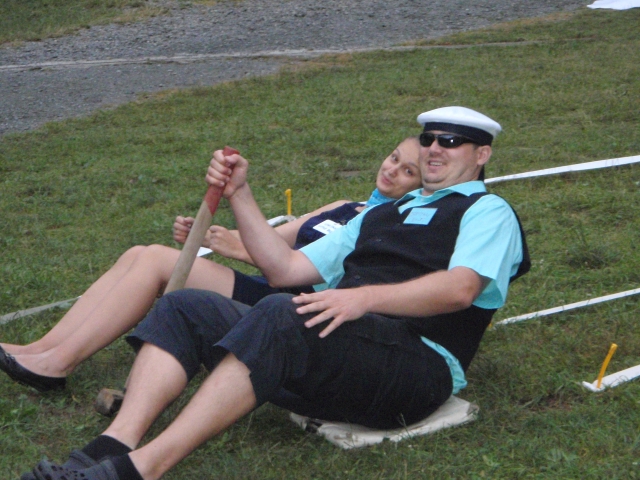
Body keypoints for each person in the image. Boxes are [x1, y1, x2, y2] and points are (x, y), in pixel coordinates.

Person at [21, 106, 531, 480]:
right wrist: (240, 193)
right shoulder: (379, 212)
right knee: (184, 304)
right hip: (345, 350)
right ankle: (111, 446)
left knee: (282, 312)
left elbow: (461, 288)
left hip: (417, 368)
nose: (435, 148)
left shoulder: (487, 210)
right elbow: (285, 268)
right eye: (429, 139)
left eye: (452, 142)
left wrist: (362, 298)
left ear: (481, 154)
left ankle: (140, 469)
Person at [0, 137, 422, 393]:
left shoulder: (389, 226)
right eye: (393, 157)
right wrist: (208, 235)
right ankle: (42, 349)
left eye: (407, 171)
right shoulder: (346, 206)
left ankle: (59, 363)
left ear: (422, 186)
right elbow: (269, 241)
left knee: (156, 261)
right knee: (140, 253)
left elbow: (296, 268)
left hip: (287, 308)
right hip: (265, 285)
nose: (392, 170)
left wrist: (233, 248)